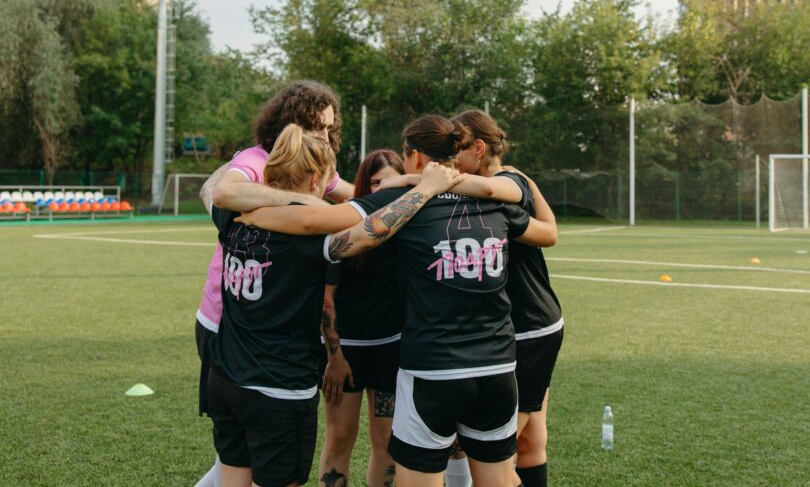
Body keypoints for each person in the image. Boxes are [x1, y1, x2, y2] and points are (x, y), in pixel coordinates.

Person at [238, 115, 558, 487]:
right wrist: (527, 184)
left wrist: (252, 215)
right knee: (500, 479)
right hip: (498, 368)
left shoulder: (401, 200)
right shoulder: (494, 196)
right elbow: (548, 233)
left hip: (432, 370)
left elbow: (316, 222)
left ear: (416, 157)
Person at [207, 124, 464, 487]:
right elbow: (370, 230)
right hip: (278, 387)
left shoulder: (230, 215)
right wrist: (425, 189)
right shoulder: (313, 241)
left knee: (233, 477)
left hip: (226, 379)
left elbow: (218, 189)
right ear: (316, 179)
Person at [195, 80, 355, 487]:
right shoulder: (255, 159)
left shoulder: (312, 161)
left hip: (250, 317)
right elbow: (226, 191)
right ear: (290, 121)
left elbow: (355, 195)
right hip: (225, 317)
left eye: (329, 128)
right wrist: (304, 206)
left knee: (238, 448)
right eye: (316, 126)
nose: (324, 135)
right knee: (249, 438)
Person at [451, 110, 562, 487]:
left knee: (496, 449)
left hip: (530, 327)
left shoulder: (505, 182)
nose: (452, 160)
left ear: (479, 148)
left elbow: (499, 192)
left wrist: (428, 181)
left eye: (458, 150)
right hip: (517, 326)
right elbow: (549, 233)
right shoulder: (503, 182)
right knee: (529, 441)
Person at [318, 149, 406, 487]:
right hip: (346, 352)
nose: (384, 190)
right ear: (364, 187)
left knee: (387, 440)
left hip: (390, 350)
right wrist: (335, 356)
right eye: (375, 183)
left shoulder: (408, 227)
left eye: (391, 182)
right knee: (340, 436)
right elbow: (326, 300)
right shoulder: (346, 227)